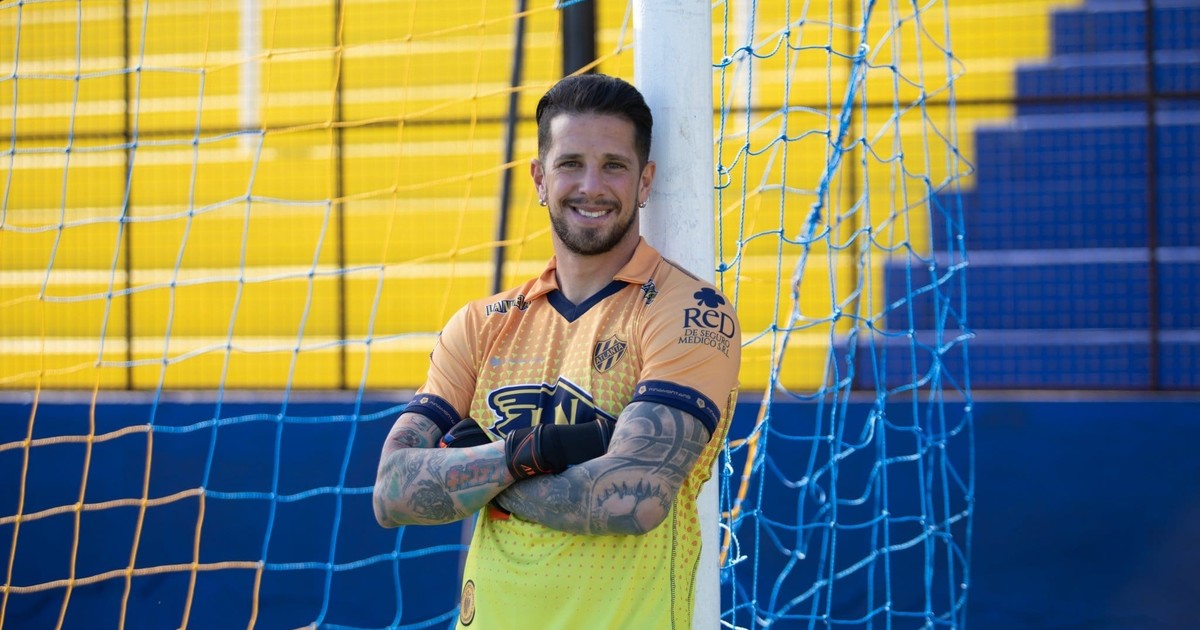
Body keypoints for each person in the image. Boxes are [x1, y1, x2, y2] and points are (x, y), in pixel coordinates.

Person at [373, 73, 741, 629]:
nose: (591, 186)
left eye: (613, 166)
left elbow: (632, 502)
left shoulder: (690, 312)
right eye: (571, 163)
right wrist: (524, 454)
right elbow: (392, 492)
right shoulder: (481, 325)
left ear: (644, 182)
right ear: (540, 179)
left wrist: (484, 474)